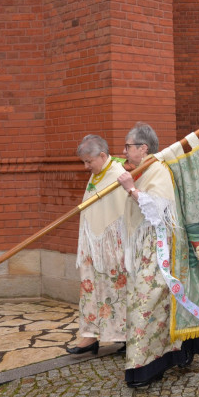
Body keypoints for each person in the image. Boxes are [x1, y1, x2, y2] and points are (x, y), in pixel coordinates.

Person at [115, 123, 199, 388]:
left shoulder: (157, 170)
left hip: (160, 249)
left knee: (146, 305)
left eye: (128, 146)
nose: (124, 151)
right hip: (145, 249)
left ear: (143, 148)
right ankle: (164, 358)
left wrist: (131, 189)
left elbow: (159, 211)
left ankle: (146, 366)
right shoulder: (142, 169)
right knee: (154, 305)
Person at [69, 134, 129, 355]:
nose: (86, 166)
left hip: (112, 245)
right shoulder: (97, 173)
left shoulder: (118, 174)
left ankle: (123, 336)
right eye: (84, 162)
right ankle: (89, 336)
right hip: (92, 244)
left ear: (102, 155)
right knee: (89, 288)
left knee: (116, 289)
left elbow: (124, 212)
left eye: (88, 161)